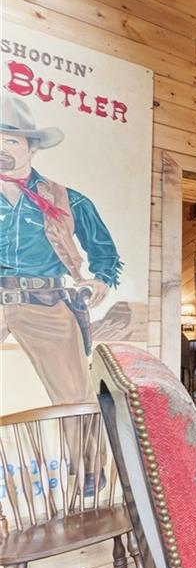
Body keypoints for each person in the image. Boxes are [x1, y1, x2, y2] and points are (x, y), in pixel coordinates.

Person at [1, 97, 123, 491]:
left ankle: (88, 471)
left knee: (74, 392)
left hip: (44, 301)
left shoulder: (68, 199)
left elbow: (103, 250)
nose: (2, 148)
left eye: (12, 140)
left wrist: (100, 279)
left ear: (32, 147)